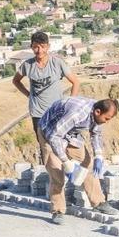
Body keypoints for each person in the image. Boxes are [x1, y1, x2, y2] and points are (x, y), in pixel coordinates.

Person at [38, 96, 119, 224]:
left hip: (70, 133)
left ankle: (98, 202)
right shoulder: (77, 114)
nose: (107, 121)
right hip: (49, 132)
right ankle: (58, 210)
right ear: (97, 112)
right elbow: (55, 137)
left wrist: (98, 155)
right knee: (56, 172)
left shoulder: (96, 114)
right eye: (107, 118)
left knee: (88, 163)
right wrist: (65, 162)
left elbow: (96, 134)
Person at [13, 31, 80, 164]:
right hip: (38, 114)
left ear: (48, 47)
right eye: (36, 47)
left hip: (57, 111)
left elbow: (75, 82)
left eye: (42, 46)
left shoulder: (57, 63)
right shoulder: (27, 65)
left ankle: (68, 169)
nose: (39, 50)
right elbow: (16, 81)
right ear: (32, 47)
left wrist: (70, 103)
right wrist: (28, 95)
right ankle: (50, 175)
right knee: (44, 146)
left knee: (62, 142)